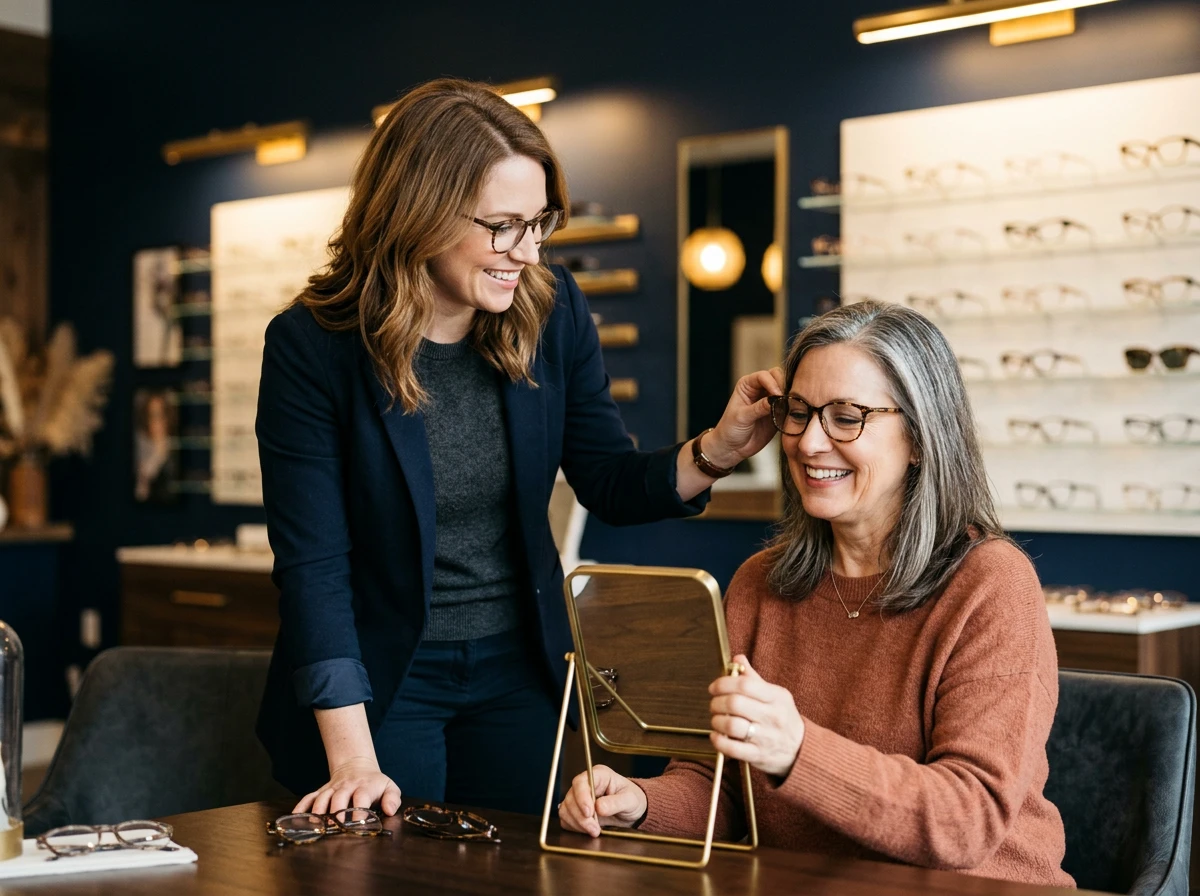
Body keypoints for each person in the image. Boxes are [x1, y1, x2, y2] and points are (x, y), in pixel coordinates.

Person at [254, 77, 781, 819]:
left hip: (518, 669)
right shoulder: (314, 347)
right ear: (421, 212)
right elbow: (314, 569)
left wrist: (718, 449)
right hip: (384, 683)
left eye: (540, 223)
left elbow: (607, 478)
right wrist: (353, 760)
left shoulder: (551, 310)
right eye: (504, 225)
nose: (528, 252)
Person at [559, 300, 1074, 888]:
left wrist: (798, 750)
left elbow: (965, 822)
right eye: (798, 413)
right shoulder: (760, 581)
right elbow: (720, 786)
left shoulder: (991, 584)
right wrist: (642, 804)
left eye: (847, 417)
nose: (809, 443)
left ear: (923, 436)